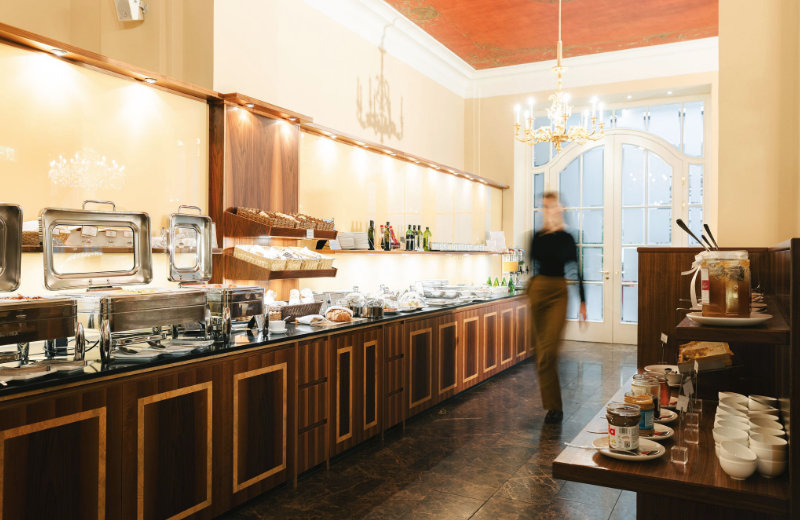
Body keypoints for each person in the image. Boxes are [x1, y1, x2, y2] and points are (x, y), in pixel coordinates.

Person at [528, 191, 586, 424]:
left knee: (549, 351)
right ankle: (552, 406)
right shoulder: (536, 237)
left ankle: (555, 406)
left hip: (558, 291)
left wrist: (583, 302)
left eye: (551, 206)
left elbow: (575, 268)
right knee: (541, 353)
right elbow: (535, 262)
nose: (547, 210)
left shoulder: (567, 238)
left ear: (560, 208)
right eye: (544, 207)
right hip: (537, 289)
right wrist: (547, 232)